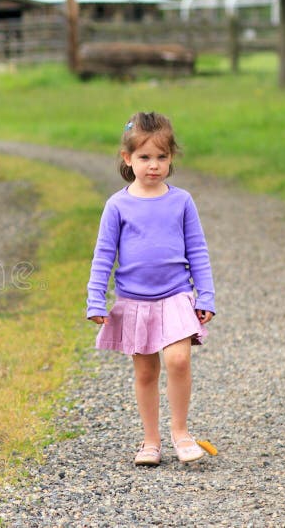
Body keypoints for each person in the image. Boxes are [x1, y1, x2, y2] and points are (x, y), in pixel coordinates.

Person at [86, 112, 216, 466]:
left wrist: (205, 295)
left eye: (161, 157)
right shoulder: (117, 205)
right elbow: (103, 256)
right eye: (145, 157)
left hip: (176, 296)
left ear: (171, 157)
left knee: (177, 359)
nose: (154, 165)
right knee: (145, 371)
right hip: (135, 301)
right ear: (128, 159)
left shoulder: (182, 201)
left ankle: (180, 432)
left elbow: (198, 251)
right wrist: (96, 298)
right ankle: (150, 441)